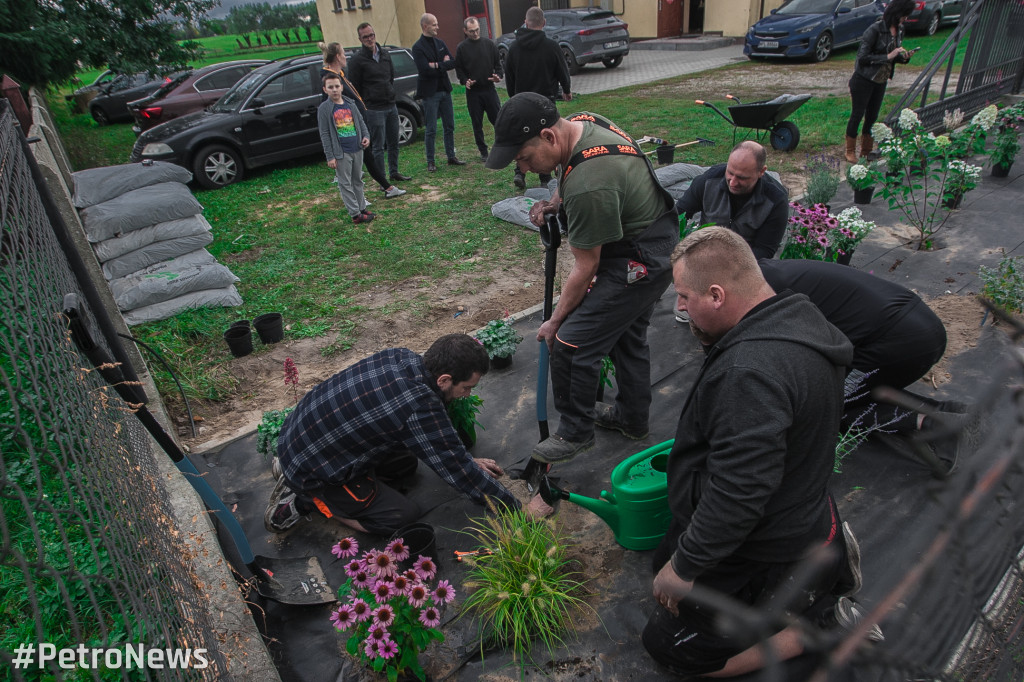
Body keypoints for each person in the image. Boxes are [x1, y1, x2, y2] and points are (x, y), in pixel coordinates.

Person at [644, 227, 868, 678]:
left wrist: (685, 567)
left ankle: (815, 629)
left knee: (671, 651)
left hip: (759, 540)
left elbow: (740, 491)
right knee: (660, 558)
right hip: (801, 499)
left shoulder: (749, 373)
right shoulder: (796, 315)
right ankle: (826, 560)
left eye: (685, 297)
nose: (680, 308)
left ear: (717, 293)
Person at [485, 93, 678, 464]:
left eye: (523, 158)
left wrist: (554, 322)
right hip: (651, 237)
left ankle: (575, 433)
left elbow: (586, 267)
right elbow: (571, 169)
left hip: (639, 259)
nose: (522, 169)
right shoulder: (581, 123)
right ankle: (632, 420)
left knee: (571, 341)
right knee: (628, 338)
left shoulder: (591, 184)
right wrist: (557, 201)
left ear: (548, 137)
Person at [265, 334, 552, 535]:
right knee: (400, 517)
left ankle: (292, 467)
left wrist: (462, 457)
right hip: (313, 469)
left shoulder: (403, 357)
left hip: (299, 435)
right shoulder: (417, 406)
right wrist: (519, 512)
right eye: (467, 388)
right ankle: (309, 501)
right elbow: (459, 473)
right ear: (444, 379)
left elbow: (439, 445)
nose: (466, 395)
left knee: (405, 464)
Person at [757, 257, 973, 473]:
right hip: (916, 324)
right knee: (846, 391)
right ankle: (946, 411)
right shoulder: (764, 272)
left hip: (896, 339)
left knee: (820, 410)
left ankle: (935, 425)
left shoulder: (766, 292)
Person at [675, 140, 789, 262]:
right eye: (730, 172)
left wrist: (726, 265)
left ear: (761, 171)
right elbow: (677, 216)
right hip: (705, 254)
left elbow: (764, 251)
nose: (733, 182)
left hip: (747, 264)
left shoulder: (776, 200)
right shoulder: (708, 181)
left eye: (741, 177)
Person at [321, 43, 406, 199]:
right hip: (346, 129)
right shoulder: (329, 78)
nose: (345, 57)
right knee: (354, 164)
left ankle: (386, 188)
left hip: (357, 126)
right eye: (343, 53)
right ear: (338, 57)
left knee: (366, 159)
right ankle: (368, 195)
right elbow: (330, 108)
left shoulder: (340, 74)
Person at [504, 6, 571, 190]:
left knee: (523, 135)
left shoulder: (514, 48)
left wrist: (514, 97)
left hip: (521, 101)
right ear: (544, 23)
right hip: (545, 101)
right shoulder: (551, 46)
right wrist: (566, 89)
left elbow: (508, 76)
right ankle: (544, 176)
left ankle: (520, 172)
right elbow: (562, 70)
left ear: (525, 23)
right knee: (545, 137)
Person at [845, 0, 916, 163]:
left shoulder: (899, 30)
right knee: (858, 114)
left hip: (881, 79)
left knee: (872, 116)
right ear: (896, 13)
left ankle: (866, 151)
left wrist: (903, 58)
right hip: (864, 79)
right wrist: (888, 56)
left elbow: (893, 58)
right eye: (904, 15)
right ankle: (849, 150)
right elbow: (862, 58)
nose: (905, 19)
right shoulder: (875, 30)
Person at [348, 24, 412, 183]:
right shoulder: (357, 60)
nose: (370, 39)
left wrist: (388, 92)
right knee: (377, 146)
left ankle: (394, 172)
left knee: (394, 142)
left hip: (391, 104)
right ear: (360, 39)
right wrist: (367, 102)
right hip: (374, 109)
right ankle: (382, 179)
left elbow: (390, 76)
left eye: (371, 35)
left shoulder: (385, 54)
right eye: (365, 37)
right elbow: (355, 86)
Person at [317, 73, 374, 224]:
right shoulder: (324, 108)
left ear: (342, 87)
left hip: (357, 148)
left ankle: (362, 208)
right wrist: (330, 156)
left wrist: (366, 136)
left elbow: (360, 122)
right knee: (345, 183)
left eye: (337, 86)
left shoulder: (350, 103)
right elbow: (324, 133)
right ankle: (355, 214)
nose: (334, 90)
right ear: (325, 89)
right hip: (341, 152)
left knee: (358, 180)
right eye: (331, 87)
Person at [412, 13, 465, 172]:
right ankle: (431, 161)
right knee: (431, 128)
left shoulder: (440, 43)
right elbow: (424, 70)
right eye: (434, 24)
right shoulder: (418, 47)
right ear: (425, 26)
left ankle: (451, 156)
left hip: (444, 90)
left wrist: (436, 65)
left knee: (449, 125)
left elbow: (452, 63)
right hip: (430, 93)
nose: (437, 27)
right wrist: (441, 64)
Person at [454, 17, 503, 162]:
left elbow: (499, 66)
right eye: (471, 31)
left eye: (476, 30)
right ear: (465, 31)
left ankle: (501, 148)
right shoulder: (462, 48)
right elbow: (459, 69)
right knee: (477, 123)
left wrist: (498, 76)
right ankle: (483, 151)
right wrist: (465, 81)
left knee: (498, 121)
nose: (475, 33)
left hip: (489, 89)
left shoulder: (489, 44)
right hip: (473, 92)